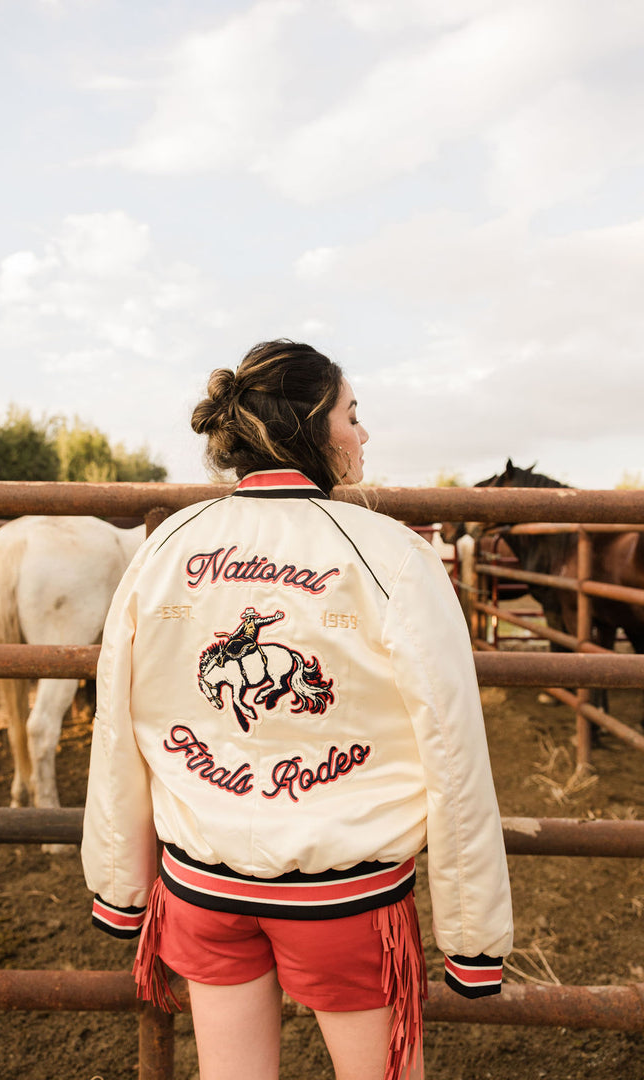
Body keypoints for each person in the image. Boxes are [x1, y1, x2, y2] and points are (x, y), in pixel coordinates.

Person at [81, 339, 513, 1080]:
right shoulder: (391, 555)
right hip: (343, 898)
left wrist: (121, 885)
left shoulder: (167, 549)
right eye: (352, 414)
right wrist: (473, 934)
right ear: (314, 426)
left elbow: (118, 726)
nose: (364, 433)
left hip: (204, 889)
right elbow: (453, 746)